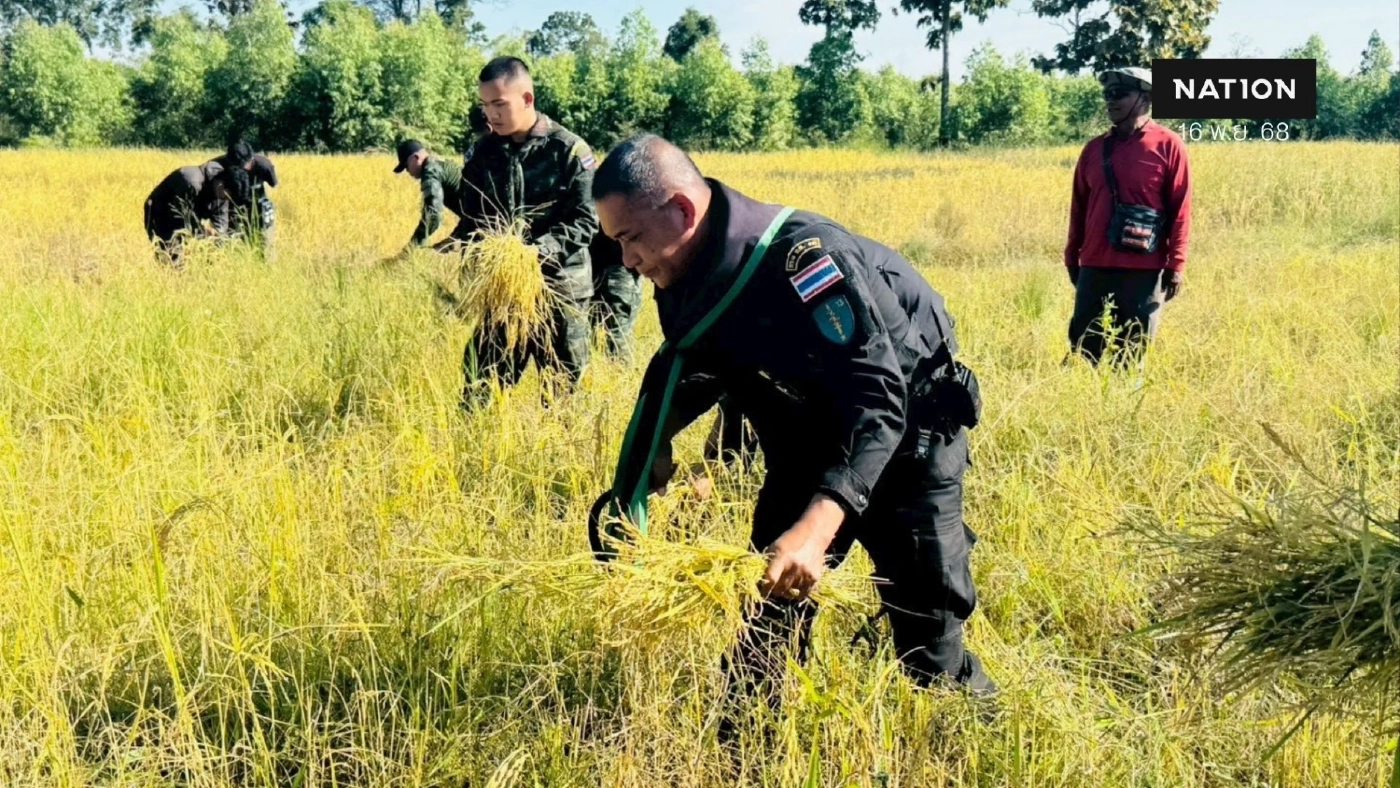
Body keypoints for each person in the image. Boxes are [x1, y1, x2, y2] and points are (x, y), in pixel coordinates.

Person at [588, 134, 997, 730]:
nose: (627, 261)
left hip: (907, 442)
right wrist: (651, 455)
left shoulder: (803, 259)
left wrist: (815, 529)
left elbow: (879, 404)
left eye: (630, 239)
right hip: (805, 442)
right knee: (763, 629)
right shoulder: (680, 275)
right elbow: (691, 361)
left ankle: (982, 730)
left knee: (928, 647)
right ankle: (742, 750)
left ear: (680, 211)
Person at [453, 56, 601, 403]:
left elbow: (586, 220)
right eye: (485, 105)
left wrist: (537, 252)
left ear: (527, 99)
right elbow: (472, 215)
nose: (491, 114)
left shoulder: (567, 150)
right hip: (503, 293)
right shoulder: (481, 153)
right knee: (479, 386)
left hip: (560, 290)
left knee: (563, 394)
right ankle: (475, 452)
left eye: (499, 104)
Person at [1064, 66, 1192, 366]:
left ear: (1145, 99)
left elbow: (1181, 210)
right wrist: (1072, 256)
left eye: (1120, 93)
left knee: (1131, 353)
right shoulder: (1093, 150)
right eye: (1107, 94)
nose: (1111, 100)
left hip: (1144, 270)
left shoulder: (1169, 145)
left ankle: (1122, 407)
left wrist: (1176, 264)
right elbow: (1078, 208)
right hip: (1094, 266)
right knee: (1084, 350)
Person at [143, 156, 250, 267]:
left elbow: (220, 228)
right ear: (221, 184)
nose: (225, 200)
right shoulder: (191, 182)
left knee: (210, 259)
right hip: (162, 214)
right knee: (173, 262)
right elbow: (184, 220)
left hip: (190, 217)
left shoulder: (223, 192)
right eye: (226, 195)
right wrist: (204, 233)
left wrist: (217, 242)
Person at [394, 138, 468, 252]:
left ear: (415, 158)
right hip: (485, 217)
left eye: (406, 166)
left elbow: (432, 217)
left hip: (486, 220)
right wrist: (454, 238)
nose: (408, 171)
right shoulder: (440, 162)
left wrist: (410, 248)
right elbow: (471, 212)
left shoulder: (430, 171)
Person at [212, 140, 278, 255]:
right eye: (237, 166)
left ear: (251, 159)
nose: (243, 169)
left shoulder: (263, 165)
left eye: (245, 165)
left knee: (265, 245)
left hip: (258, 206)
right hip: (231, 208)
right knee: (229, 244)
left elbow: (274, 184)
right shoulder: (218, 168)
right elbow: (218, 196)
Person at [588, 232, 643, 359]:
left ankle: (620, 373)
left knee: (613, 337)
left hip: (617, 269)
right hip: (606, 267)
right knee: (604, 336)